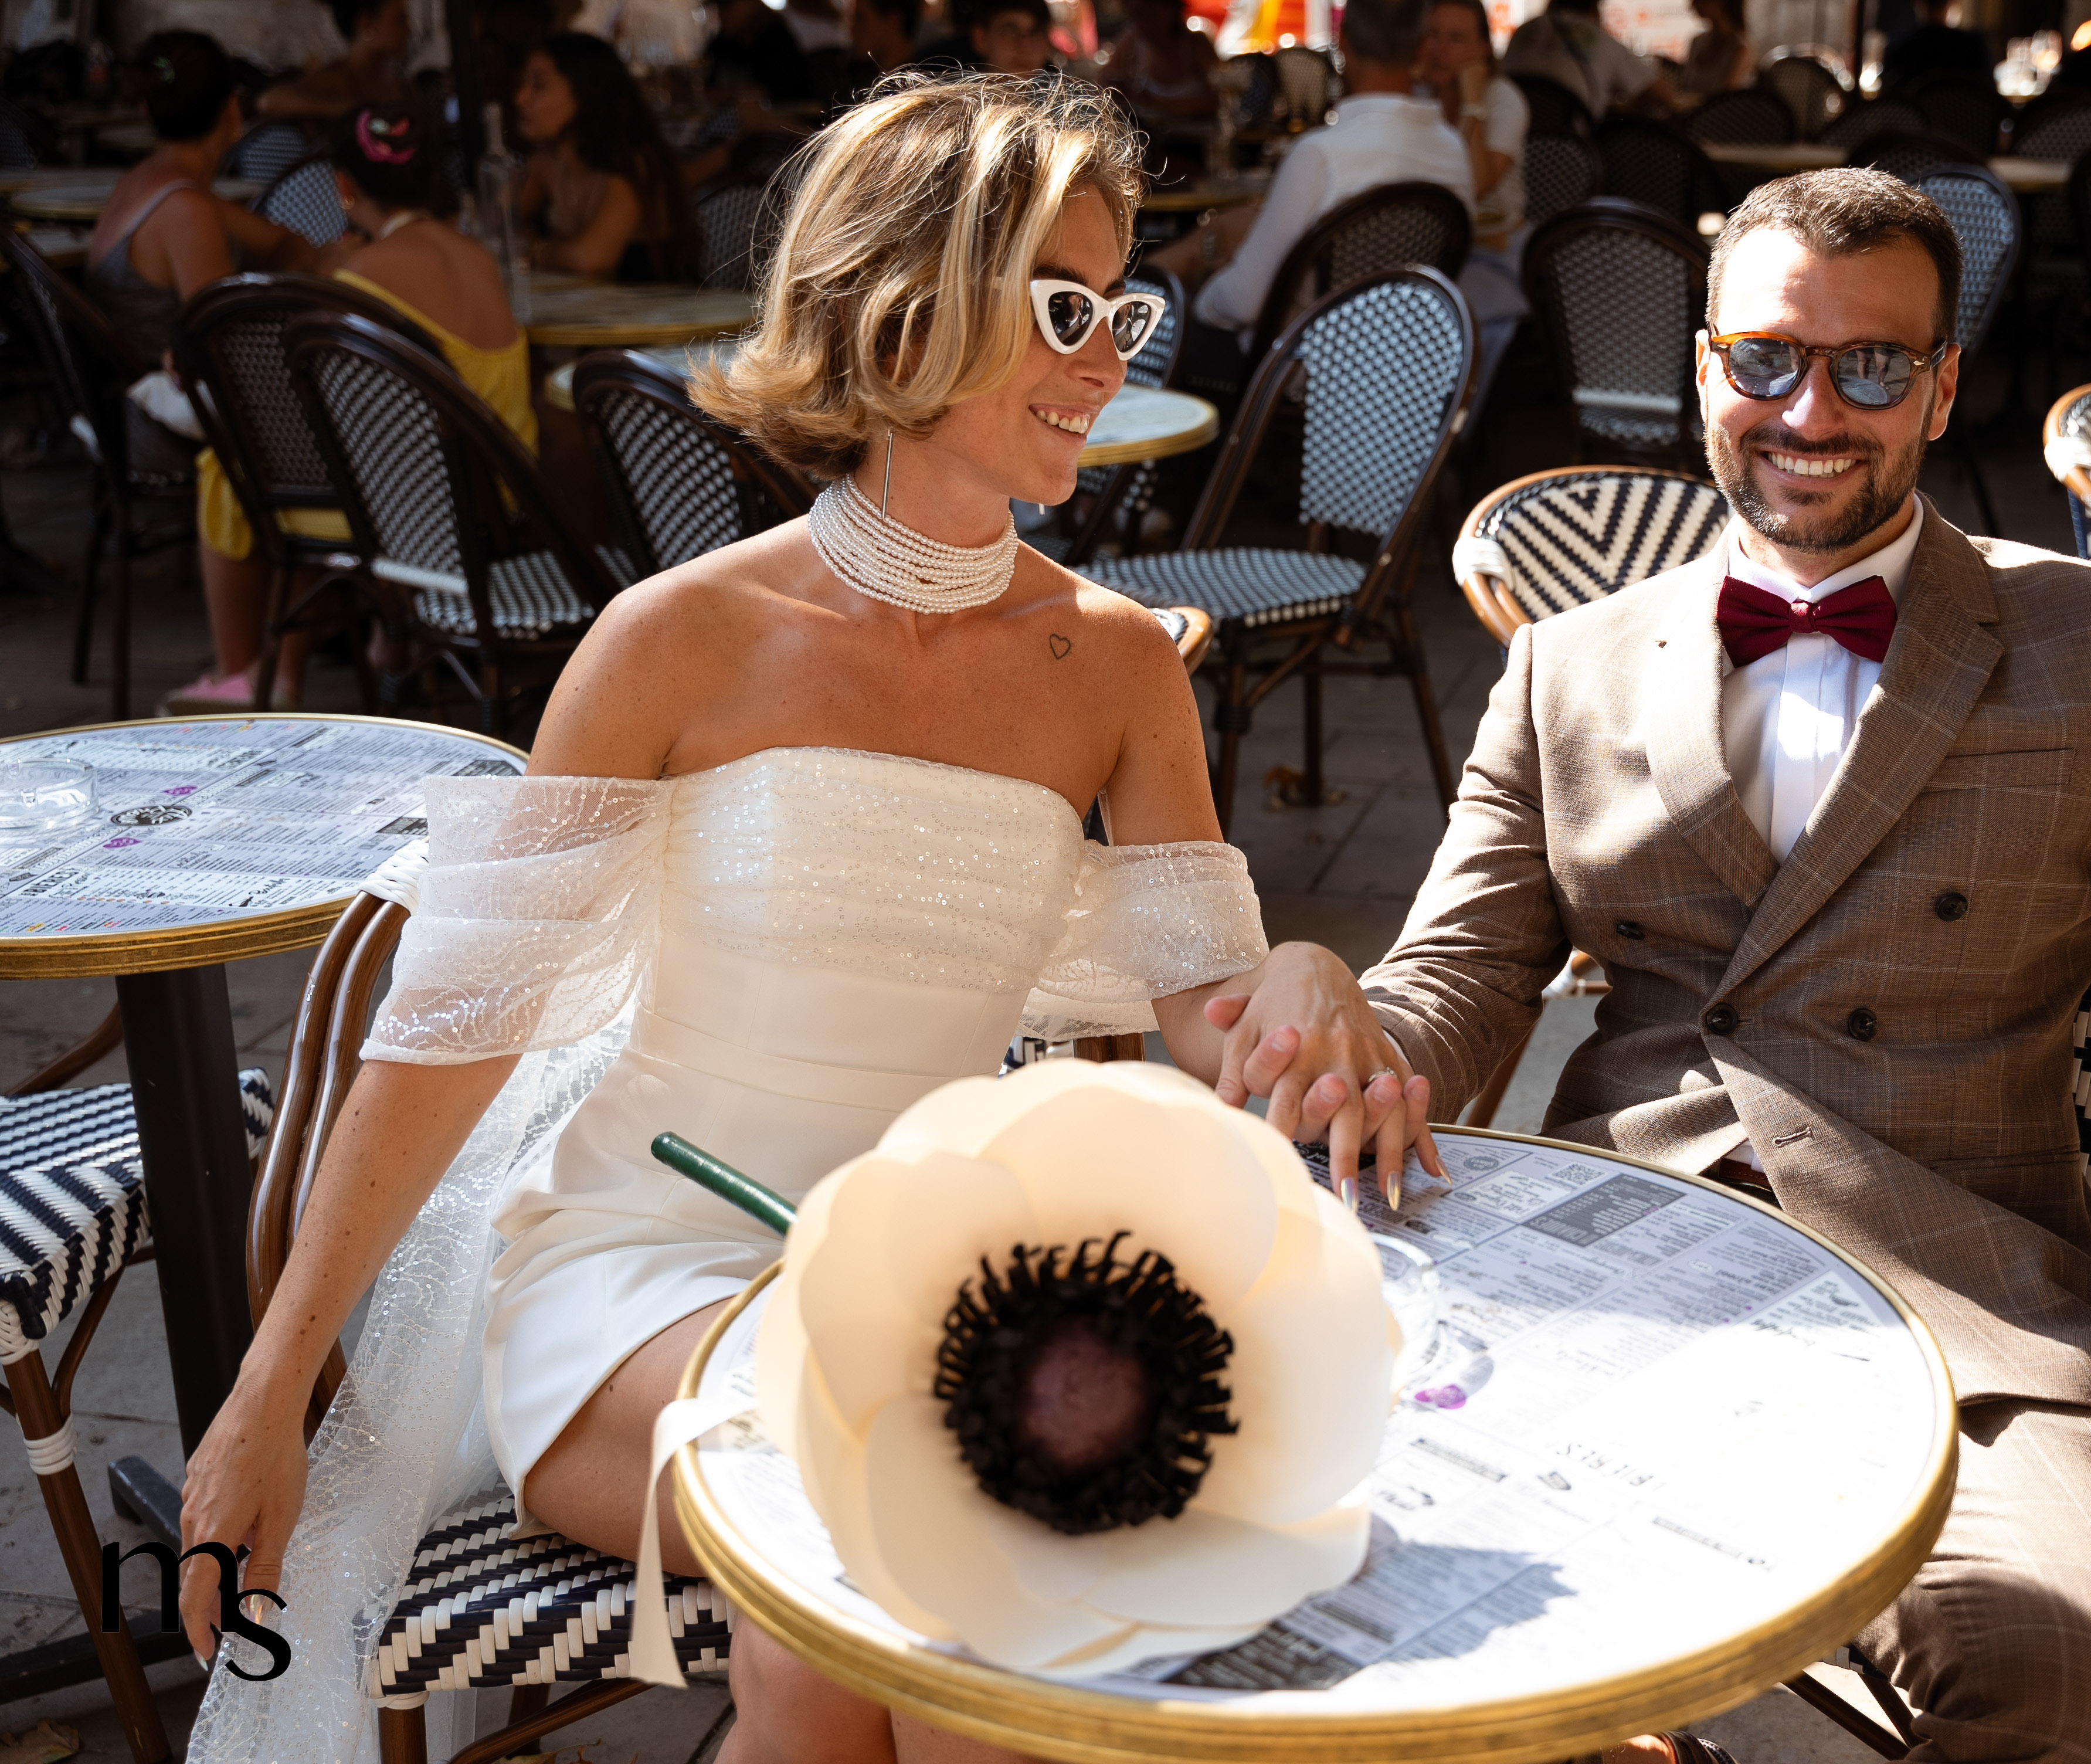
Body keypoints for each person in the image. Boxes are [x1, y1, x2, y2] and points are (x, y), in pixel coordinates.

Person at [179, 73, 1433, 1763]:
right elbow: (456, 1028)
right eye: (1066, 307)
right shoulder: (674, 639)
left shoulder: (1120, 666)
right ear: (911, 310)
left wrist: (1305, 969)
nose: (1113, 355)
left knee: (923, 1570)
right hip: (634, 1282)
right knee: (906, 1536)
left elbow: (1210, 1013)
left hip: (938, 1292)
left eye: (1123, 308)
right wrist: (269, 1399)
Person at [1224, 169, 2091, 1758]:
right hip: (1597, 1290)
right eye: (1772, 359)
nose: (1815, 409)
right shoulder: (1562, 668)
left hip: (1948, 1333)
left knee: (2085, 1702)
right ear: (1707, 367)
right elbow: (1457, 986)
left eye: (1874, 368)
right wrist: (1338, 996)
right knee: (1299, 1630)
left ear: (1939, 390)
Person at [193, 103, 539, 714]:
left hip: (416, 515)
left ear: (344, 188)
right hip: (496, 498)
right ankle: (383, 640)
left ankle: (242, 670)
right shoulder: (478, 258)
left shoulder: (360, 276)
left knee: (228, 466)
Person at [86, 31, 337, 714]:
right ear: (233, 112)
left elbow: (281, 243)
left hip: (123, 410)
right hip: (155, 425)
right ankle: (260, 670)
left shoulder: (151, 183)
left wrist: (306, 252)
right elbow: (223, 348)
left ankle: (309, 645)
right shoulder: (187, 210)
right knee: (337, 452)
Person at [1153, 0, 1474, 370]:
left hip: (1303, 369)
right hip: (1403, 369)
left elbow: (1242, 303)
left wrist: (1199, 297)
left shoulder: (1321, 155)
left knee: (1165, 323)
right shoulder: (1453, 150)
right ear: (1421, 47)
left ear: (1343, 42)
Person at [513, 32, 705, 281]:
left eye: (539, 86)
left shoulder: (632, 164)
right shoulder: (548, 164)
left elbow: (590, 259)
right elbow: (490, 223)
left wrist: (531, 248)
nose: (521, 99)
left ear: (586, 91)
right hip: (589, 313)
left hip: (659, 316)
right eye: (523, 84)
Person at [1418, 0, 1528, 418]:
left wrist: (1473, 103)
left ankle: (1448, 434)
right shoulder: (1417, 98)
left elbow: (1477, 185)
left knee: (1451, 318)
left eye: (1456, 39)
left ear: (1483, 49)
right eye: (1433, 36)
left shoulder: (1503, 99)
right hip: (1432, 248)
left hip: (1495, 251)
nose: (1438, 49)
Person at [1096, 0, 1222, 174]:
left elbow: (1216, 101)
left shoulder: (1195, 46)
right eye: (1138, 16)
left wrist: (1150, 101)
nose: (1145, 24)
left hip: (1197, 150)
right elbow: (1102, 85)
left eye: (1151, 15)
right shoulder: (1133, 41)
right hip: (1152, 149)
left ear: (1173, 10)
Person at [1502, 0, 1675, 121]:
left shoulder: (1523, 30)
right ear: (1595, 9)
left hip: (1513, 143)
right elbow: (1664, 96)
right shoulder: (1600, 38)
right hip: (1572, 152)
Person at [257, 0, 413, 121]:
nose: (409, 30)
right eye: (400, 20)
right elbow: (269, 102)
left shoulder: (401, 85)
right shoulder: (334, 81)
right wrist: (349, 112)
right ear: (366, 23)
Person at [705, 0, 815, 103]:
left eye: (727, 6)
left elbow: (774, 92)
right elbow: (700, 87)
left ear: (751, 3)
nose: (720, 15)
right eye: (718, 7)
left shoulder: (777, 40)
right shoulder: (721, 43)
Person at [1881, 0, 1992, 89]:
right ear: (1954, 2)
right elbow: (1990, 95)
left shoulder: (1898, 47)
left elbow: (1888, 100)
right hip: (1966, 117)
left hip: (1912, 117)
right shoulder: (1974, 45)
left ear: (1918, 2)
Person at [1675, 0, 1756, 101]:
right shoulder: (1697, 43)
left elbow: (1727, 101)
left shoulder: (1741, 50)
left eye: (1700, 1)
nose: (1692, 6)